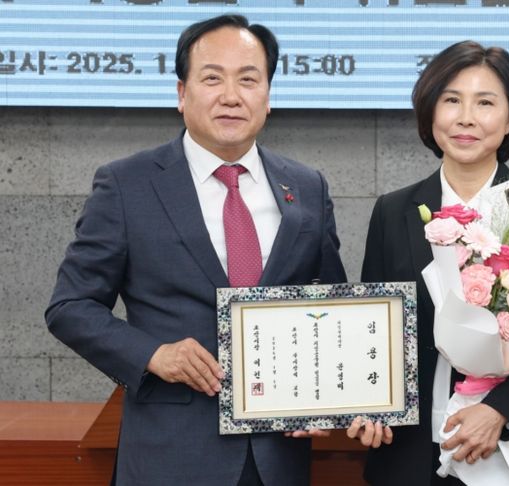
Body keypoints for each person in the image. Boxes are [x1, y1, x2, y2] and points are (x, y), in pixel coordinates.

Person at [45, 14, 346, 486]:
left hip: (278, 458)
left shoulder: (307, 187)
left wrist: (330, 398)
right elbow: (70, 307)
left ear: (268, 96)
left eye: (248, 79)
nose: (231, 95)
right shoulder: (127, 185)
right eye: (212, 78)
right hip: (170, 456)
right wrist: (153, 354)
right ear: (182, 93)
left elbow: (332, 308)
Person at [347, 40, 509, 486]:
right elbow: (373, 325)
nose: (466, 118)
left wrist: (499, 410)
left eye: (485, 103)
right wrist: (370, 405)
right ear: (430, 112)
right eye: (452, 100)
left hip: (506, 446)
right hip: (409, 453)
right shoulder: (394, 211)